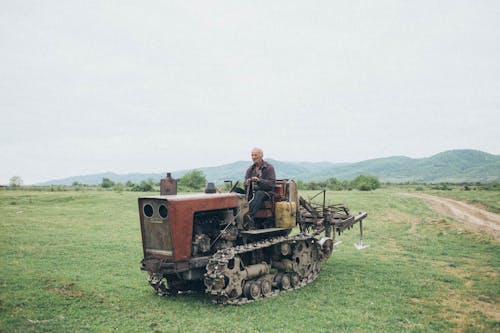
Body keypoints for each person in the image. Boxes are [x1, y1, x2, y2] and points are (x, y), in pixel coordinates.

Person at [244, 148, 276, 227]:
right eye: (252, 155)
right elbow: (245, 185)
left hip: (266, 193)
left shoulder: (269, 168)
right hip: (252, 192)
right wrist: (247, 183)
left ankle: (249, 217)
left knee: (259, 193)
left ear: (261, 156)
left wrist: (259, 181)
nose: (253, 157)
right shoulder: (250, 170)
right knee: (236, 191)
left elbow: (271, 184)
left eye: (255, 155)